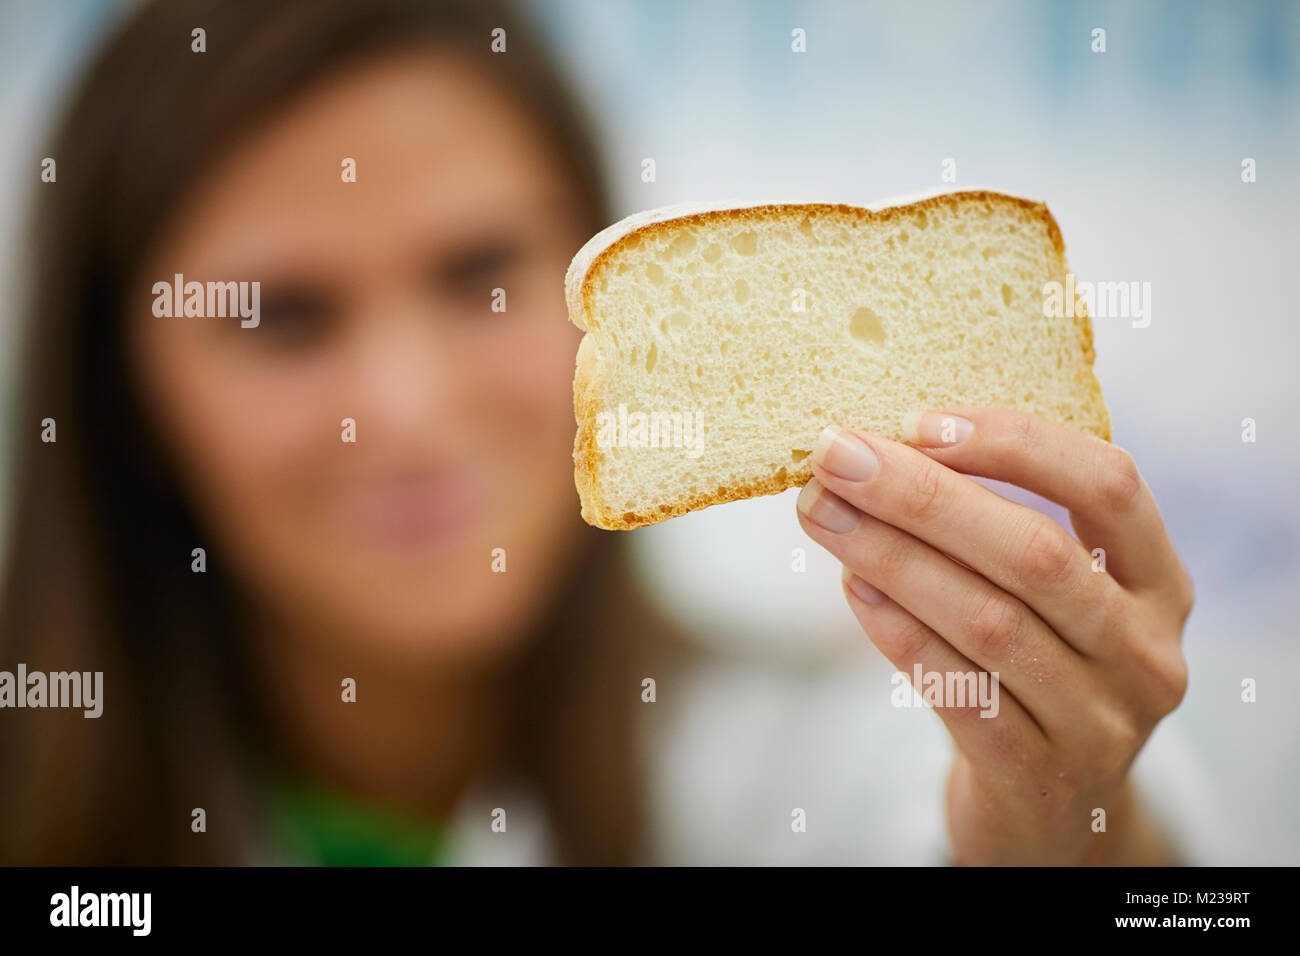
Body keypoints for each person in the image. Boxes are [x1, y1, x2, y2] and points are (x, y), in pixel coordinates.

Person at [0, 0, 1195, 866]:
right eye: (280, 319)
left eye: (481, 273)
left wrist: (1066, 830)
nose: (410, 408)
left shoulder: (840, 765)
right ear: (123, 394)